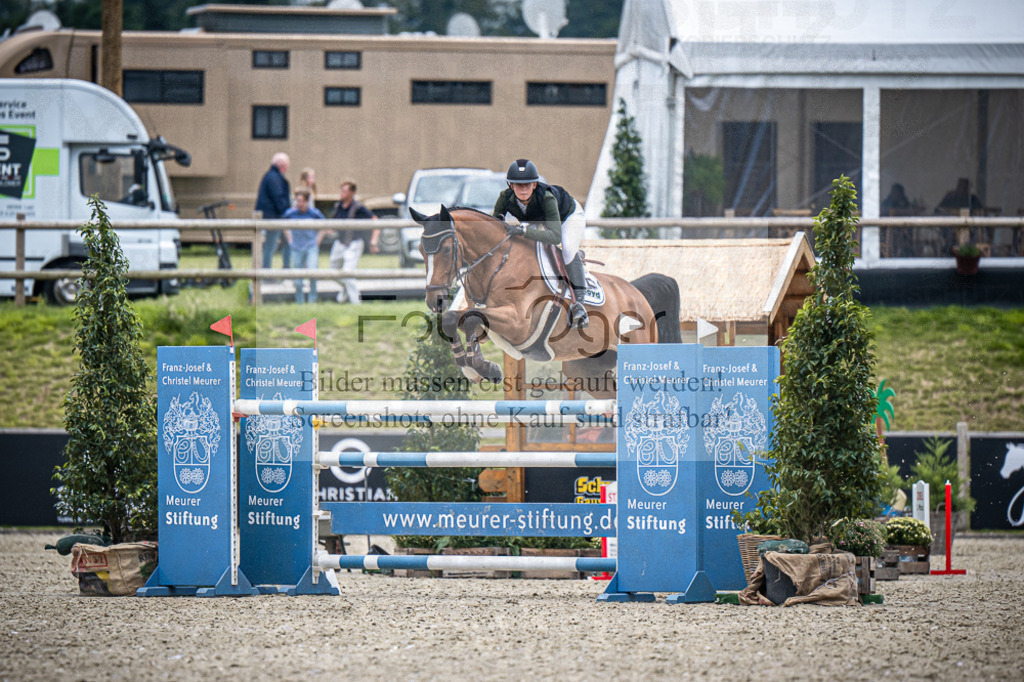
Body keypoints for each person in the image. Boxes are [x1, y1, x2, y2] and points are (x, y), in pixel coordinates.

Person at [492, 158, 589, 329]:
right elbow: (495, 223)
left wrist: (523, 231)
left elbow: (554, 236)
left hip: (568, 217)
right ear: (511, 186)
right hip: (539, 220)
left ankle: (579, 305)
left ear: (535, 185)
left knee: (567, 249)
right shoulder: (504, 197)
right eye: (518, 185)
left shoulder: (547, 198)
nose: (523, 189)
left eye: (527, 185)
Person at [329, 180, 378, 304]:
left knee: (348, 273)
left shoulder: (358, 207)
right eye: (341, 190)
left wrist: (373, 242)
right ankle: (346, 290)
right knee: (332, 272)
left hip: (354, 244)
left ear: (352, 193)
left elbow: (375, 220)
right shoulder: (338, 206)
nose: (341, 193)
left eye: (344, 191)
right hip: (340, 243)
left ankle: (356, 304)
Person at [283, 188, 326, 303]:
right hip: (296, 247)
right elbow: (283, 225)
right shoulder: (290, 213)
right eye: (297, 201)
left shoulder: (314, 213)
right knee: (297, 278)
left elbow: (324, 226)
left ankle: (312, 300)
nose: (299, 203)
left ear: (307, 202)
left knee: (312, 272)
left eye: (302, 201)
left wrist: (318, 241)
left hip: (311, 246)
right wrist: (289, 239)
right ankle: (299, 302)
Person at [255, 152, 292, 270]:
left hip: (275, 216)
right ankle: (266, 273)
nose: (287, 167)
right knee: (270, 245)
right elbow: (278, 197)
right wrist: (287, 213)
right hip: (274, 217)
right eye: (287, 164)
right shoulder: (274, 177)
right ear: (282, 165)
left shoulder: (271, 176)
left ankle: (286, 268)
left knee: (286, 243)